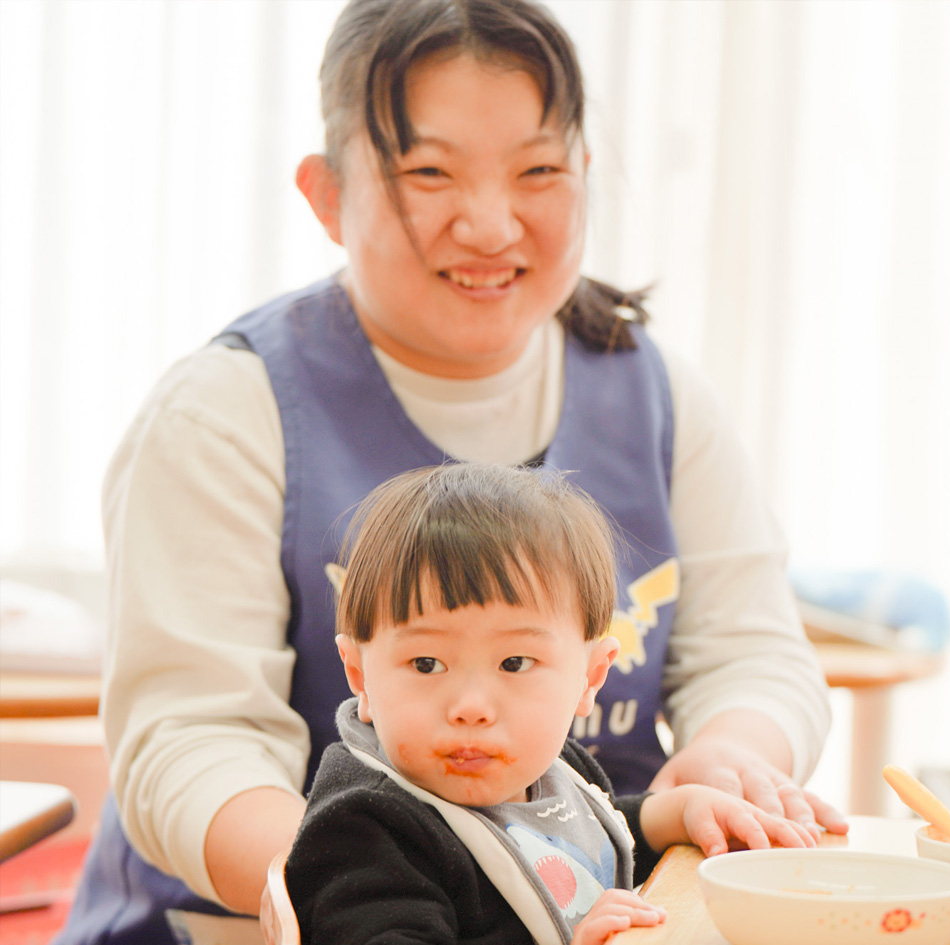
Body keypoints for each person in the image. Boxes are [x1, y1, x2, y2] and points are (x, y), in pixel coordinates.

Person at [56, 1, 844, 942]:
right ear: (325, 195)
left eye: (538, 170)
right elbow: (192, 738)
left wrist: (728, 757)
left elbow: (753, 652)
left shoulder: (660, 395)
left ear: (584, 178)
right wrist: (345, 883)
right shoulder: (225, 412)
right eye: (430, 172)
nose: (489, 221)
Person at [287, 462, 816, 945]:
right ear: (359, 674)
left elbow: (577, 841)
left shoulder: (548, 765)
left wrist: (681, 810)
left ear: (590, 677)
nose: (471, 707)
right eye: (426, 664)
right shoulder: (362, 828)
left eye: (515, 663)